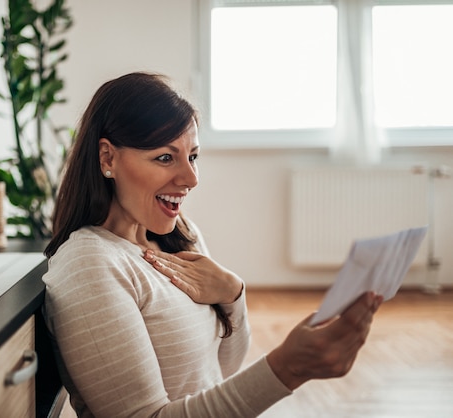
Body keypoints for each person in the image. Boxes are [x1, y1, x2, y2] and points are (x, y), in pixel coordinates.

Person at [42, 72, 382, 417]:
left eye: (193, 156)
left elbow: (222, 368)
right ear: (107, 158)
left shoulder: (178, 236)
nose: (190, 179)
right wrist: (289, 367)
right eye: (165, 157)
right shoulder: (90, 263)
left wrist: (233, 294)